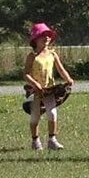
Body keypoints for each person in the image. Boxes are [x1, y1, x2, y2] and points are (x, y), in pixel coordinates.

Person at [23, 23, 73, 151]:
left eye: (48, 36)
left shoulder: (52, 54)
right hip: (36, 91)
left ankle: (52, 140)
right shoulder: (32, 56)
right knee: (35, 117)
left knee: (52, 114)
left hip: (49, 90)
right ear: (35, 39)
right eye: (43, 36)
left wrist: (68, 79)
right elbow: (26, 74)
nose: (46, 38)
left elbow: (61, 70)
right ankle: (35, 141)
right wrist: (35, 84)